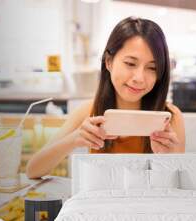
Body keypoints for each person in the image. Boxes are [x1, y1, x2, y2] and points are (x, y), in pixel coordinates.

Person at [26, 17, 185, 179]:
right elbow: (33, 170)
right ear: (109, 62)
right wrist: (75, 139)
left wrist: (170, 159)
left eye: (152, 68)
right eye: (130, 64)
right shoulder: (89, 110)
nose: (139, 78)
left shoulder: (170, 117)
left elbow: (178, 187)